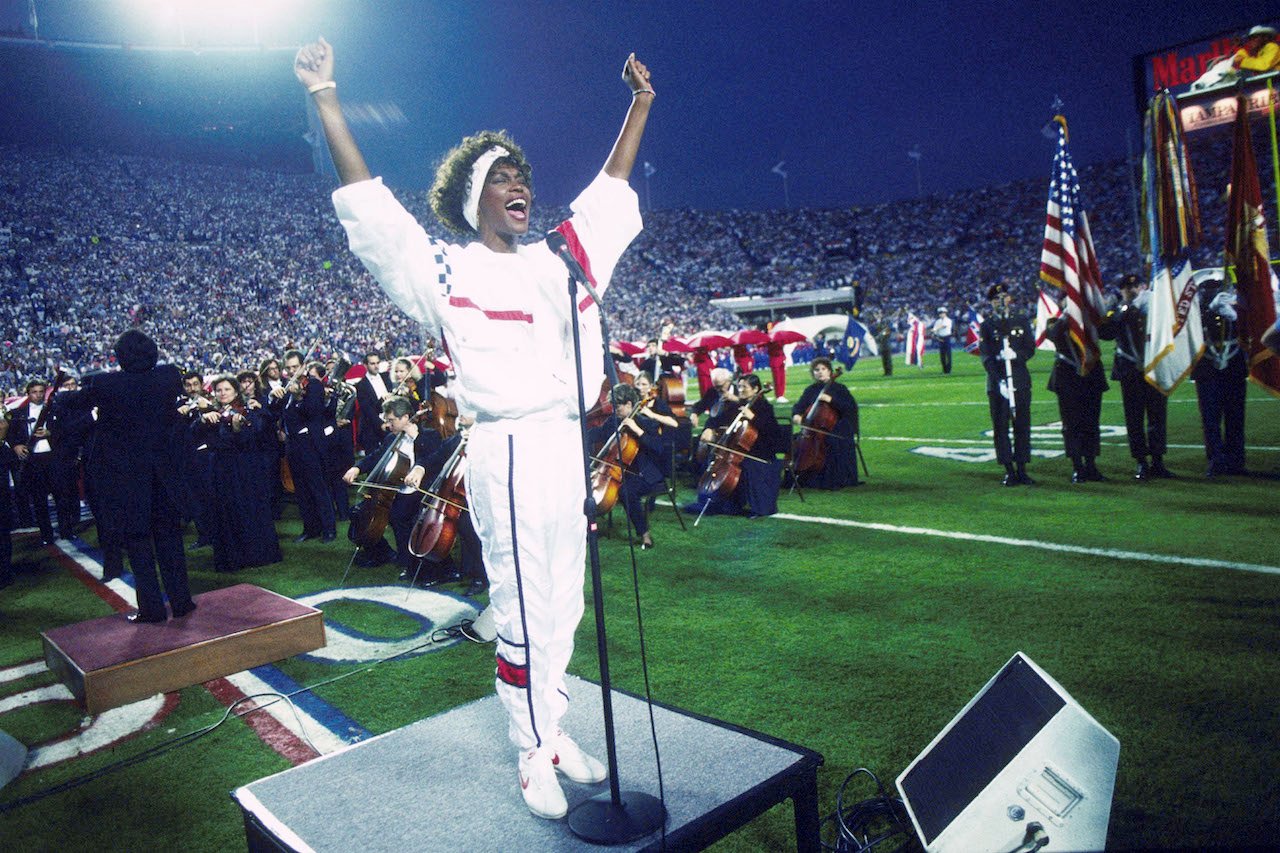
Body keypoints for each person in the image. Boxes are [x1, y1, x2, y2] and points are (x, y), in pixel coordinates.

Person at [299, 37, 653, 819]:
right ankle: (532, 754)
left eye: (520, 174)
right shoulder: (448, 270)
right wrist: (326, 96)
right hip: (508, 446)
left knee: (564, 603)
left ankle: (553, 731)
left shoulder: (562, 257)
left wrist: (639, 106)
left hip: (567, 441)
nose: (517, 182)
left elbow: (609, 191)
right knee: (524, 605)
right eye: (499, 177)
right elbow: (375, 214)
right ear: (471, 200)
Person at [62, 330, 196, 623]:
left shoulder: (106, 384)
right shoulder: (169, 376)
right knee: (169, 538)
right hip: (163, 475)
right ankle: (182, 601)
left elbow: (72, 403)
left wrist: (62, 392)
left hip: (128, 478)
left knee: (138, 541)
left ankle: (152, 609)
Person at [344, 395, 441, 580]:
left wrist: (416, 437)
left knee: (399, 515)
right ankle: (385, 553)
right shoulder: (391, 438)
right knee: (358, 513)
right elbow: (377, 456)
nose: (388, 425)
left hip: (421, 491)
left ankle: (410, 561)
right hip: (396, 489)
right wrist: (357, 467)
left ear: (405, 417)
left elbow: (433, 456)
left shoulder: (429, 435)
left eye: (391, 420)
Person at [192, 376, 282, 572]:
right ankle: (232, 555)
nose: (222, 393)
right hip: (220, 469)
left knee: (247, 508)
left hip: (244, 468)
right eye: (219, 390)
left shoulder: (246, 410)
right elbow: (192, 434)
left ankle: (254, 554)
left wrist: (238, 426)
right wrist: (202, 419)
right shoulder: (211, 413)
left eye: (227, 389)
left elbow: (255, 434)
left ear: (235, 392)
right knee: (225, 511)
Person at [1098, 274, 1172, 479]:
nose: (1130, 290)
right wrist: (1119, 310)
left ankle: (1158, 460)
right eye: (1126, 288)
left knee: (1157, 415)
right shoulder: (1120, 311)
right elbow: (1105, 333)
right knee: (1134, 418)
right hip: (1129, 370)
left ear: (1143, 287)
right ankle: (1141, 461)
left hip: (1154, 367)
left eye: (1135, 286)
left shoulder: (1155, 307)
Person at [587, 383, 668, 549]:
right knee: (586, 486)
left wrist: (638, 431)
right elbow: (598, 434)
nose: (614, 411)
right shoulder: (614, 421)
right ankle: (588, 529)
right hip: (620, 471)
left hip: (645, 474)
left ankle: (644, 534)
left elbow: (659, 448)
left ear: (629, 404)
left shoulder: (646, 422)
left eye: (618, 407)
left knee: (626, 491)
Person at [980, 282, 1036, 486]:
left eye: (1003, 298)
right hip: (998, 384)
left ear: (1009, 299)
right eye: (995, 299)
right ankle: (1009, 470)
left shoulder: (1020, 320)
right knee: (1001, 428)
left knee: (1022, 426)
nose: (1000, 302)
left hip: (1020, 381)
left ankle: (1022, 468)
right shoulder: (987, 325)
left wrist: (1017, 355)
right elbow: (985, 356)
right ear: (991, 303)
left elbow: (1030, 348)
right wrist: (999, 381)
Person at [1045, 313, 1109, 483]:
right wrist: (1069, 315)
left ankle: (1091, 464)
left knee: (1091, 422)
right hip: (1067, 377)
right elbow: (1053, 335)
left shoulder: (1091, 314)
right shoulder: (1055, 320)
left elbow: (1107, 333)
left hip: (1092, 375)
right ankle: (1077, 467)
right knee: (1071, 424)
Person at [1193, 282, 1247, 477]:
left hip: (1233, 367)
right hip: (1207, 370)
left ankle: (1236, 460)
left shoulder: (1234, 309)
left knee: (1235, 416)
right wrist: (1209, 311)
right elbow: (1188, 330)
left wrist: (1235, 316)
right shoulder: (1197, 312)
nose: (1211, 294)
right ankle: (1216, 460)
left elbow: (1251, 327)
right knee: (1211, 419)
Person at [790, 357, 859, 489]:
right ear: (813, 373)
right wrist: (797, 415)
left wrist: (831, 400)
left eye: (823, 369)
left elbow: (850, 408)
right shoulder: (810, 390)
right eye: (816, 370)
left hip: (838, 427)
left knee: (831, 442)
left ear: (829, 371)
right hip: (813, 429)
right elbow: (799, 406)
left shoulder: (839, 388)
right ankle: (802, 476)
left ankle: (829, 478)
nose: (820, 372)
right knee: (795, 441)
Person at [7, 378, 56, 544]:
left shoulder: (53, 409)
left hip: (52, 457)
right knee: (39, 498)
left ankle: (67, 530)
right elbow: (11, 433)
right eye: (34, 392)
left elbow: (66, 428)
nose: (38, 395)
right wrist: (16, 446)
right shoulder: (19, 413)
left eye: (41, 392)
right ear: (28, 394)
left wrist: (50, 433)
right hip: (33, 459)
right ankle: (46, 534)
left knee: (61, 494)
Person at [354, 351, 392, 454]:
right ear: (365, 365)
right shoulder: (361, 385)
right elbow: (367, 410)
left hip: (390, 423)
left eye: (377, 363)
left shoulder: (386, 377)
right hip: (371, 428)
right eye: (372, 364)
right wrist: (381, 424)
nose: (376, 366)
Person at [932, 307, 954, 375]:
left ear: (945, 313)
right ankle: (944, 370)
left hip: (946, 338)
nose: (941, 314)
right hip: (940, 338)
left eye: (942, 313)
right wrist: (934, 334)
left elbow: (943, 326)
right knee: (942, 355)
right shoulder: (937, 321)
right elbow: (935, 331)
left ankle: (948, 370)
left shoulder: (948, 320)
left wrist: (935, 329)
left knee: (948, 355)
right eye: (940, 313)